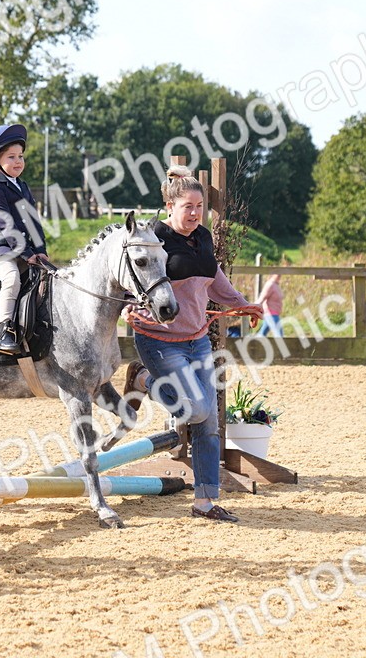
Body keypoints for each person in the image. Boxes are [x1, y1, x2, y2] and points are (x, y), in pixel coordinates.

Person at [122, 165, 263, 523]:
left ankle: (205, 502)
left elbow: (215, 279)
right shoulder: (154, 236)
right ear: (170, 206)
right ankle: (143, 380)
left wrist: (243, 304)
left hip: (197, 339)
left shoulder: (202, 237)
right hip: (159, 339)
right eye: (188, 206)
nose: (196, 213)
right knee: (196, 410)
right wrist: (127, 305)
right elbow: (132, 274)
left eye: (200, 206)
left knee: (208, 422)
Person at [0, 123, 49, 354]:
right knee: (12, 280)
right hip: (2, 251)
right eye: (11, 157)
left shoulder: (22, 186)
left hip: (25, 251)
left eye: (20, 156)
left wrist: (41, 251)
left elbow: (33, 222)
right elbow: (5, 225)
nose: (18, 161)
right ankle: (5, 331)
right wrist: (27, 254)